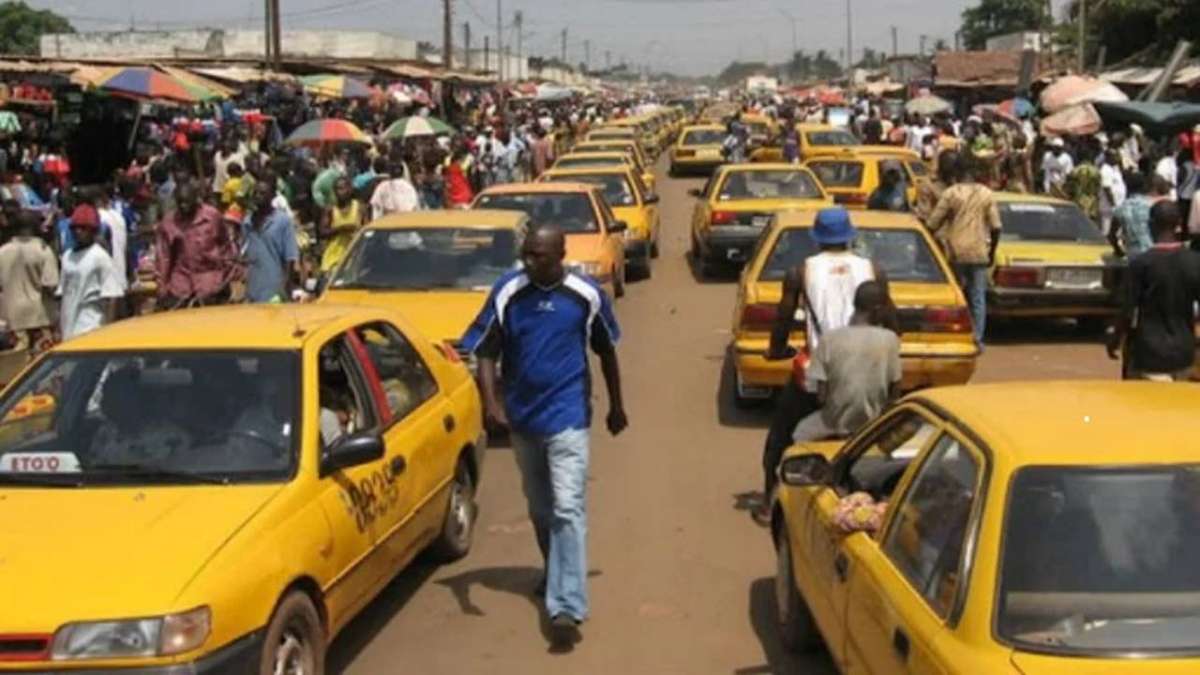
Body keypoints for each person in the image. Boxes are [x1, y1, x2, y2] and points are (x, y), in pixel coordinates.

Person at [461, 223, 627, 648]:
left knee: (568, 507)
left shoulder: (585, 295)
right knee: (540, 507)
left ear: (561, 255)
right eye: (527, 255)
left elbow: (605, 349)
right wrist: (491, 403)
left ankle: (566, 606)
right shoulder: (508, 291)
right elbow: (485, 349)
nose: (531, 262)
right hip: (523, 420)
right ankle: (557, 569)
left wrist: (616, 405)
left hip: (569, 416)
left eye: (540, 256)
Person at [755, 208, 880, 524]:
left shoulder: (801, 272)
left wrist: (776, 349)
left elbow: (783, 319)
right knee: (880, 436)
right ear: (850, 235)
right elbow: (891, 322)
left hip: (820, 373)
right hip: (866, 368)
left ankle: (770, 502)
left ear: (817, 238)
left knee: (780, 439)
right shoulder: (873, 269)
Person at [791, 280, 902, 443]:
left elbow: (821, 396)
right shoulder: (890, 340)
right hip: (872, 425)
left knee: (799, 434)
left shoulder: (828, 339)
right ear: (878, 310)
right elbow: (895, 392)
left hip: (832, 423)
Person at [1108, 202, 1200, 381]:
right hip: (1184, 353)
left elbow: (1127, 310)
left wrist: (1115, 338)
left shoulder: (1141, 264)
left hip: (1148, 354)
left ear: (1150, 224)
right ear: (1179, 224)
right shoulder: (1195, 262)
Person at [927, 158, 1003, 346]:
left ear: (956, 175)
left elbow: (932, 222)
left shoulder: (951, 193)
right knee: (978, 297)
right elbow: (996, 227)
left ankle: (956, 333)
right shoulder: (986, 194)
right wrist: (992, 252)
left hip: (955, 251)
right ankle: (977, 337)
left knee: (957, 294)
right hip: (979, 251)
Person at [154, 180, 240, 309]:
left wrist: (229, 271)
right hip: (181, 286)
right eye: (180, 202)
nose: (183, 206)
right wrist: (162, 287)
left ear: (196, 199)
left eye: (187, 201)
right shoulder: (169, 223)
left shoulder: (212, 217)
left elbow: (225, 244)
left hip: (211, 284)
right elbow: (164, 257)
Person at [57, 204, 125, 340]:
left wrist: (108, 332)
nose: (78, 232)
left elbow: (112, 296)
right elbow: (62, 293)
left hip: (90, 323)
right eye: (75, 228)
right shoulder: (67, 256)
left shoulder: (100, 257)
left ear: (93, 231)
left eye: (83, 228)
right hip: (68, 323)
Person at [0, 210, 58, 357]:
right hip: (40, 317)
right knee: (43, 368)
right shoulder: (43, 250)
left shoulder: (3, 251)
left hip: (13, 319)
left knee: (17, 368)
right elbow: (51, 284)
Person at [242, 180, 300, 303]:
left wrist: (284, 286)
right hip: (253, 286)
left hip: (275, 287)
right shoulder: (247, 222)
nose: (258, 196)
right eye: (255, 193)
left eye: (262, 193)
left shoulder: (282, 221)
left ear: (272, 196)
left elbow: (290, 256)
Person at [319, 177, 365, 274]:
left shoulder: (360, 207)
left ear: (350, 189)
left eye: (342, 188)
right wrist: (341, 229)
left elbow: (367, 229)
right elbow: (322, 232)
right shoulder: (330, 210)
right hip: (333, 257)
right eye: (337, 189)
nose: (339, 192)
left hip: (354, 256)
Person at [1110, 172, 1154, 258]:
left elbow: (1112, 235)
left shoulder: (1120, 209)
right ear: (1144, 187)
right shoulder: (1152, 205)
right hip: (1152, 251)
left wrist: (1118, 251)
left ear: (1127, 187)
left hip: (1133, 254)